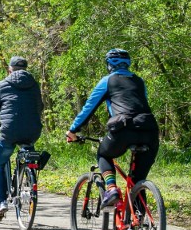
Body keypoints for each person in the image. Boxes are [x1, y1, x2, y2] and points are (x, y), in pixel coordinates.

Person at [66, 49, 159, 207]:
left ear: (109, 64)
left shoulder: (108, 81)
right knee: (137, 180)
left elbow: (89, 108)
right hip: (149, 131)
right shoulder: (139, 81)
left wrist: (73, 130)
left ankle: (111, 189)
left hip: (123, 129)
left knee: (103, 154)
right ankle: (137, 226)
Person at [0, 56, 44, 217]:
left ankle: (0, 202)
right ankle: (30, 175)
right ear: (26, 69)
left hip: (10, 132)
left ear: (10, 69)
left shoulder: (3, 84)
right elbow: (39, 106)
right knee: (29, 154)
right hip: (32, 131)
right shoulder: (34, 84)